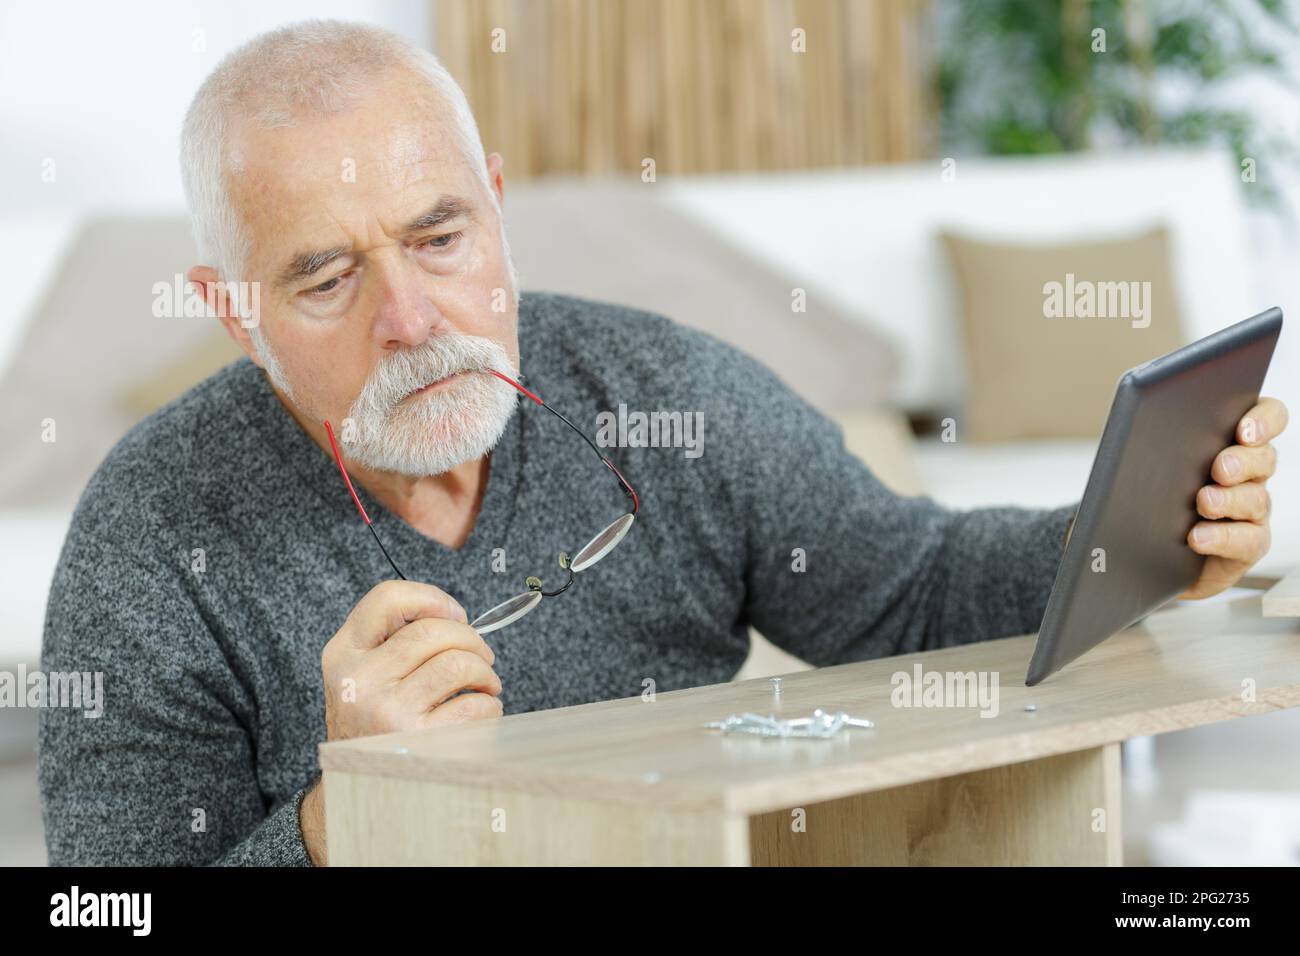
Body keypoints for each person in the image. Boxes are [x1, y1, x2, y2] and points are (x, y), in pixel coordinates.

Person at [38, 20, 1288, 866]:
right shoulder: (152, 536)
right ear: (232, 313)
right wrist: (338, 817)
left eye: (439, 236)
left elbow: (908, 584)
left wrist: (1132, 538)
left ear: (500, 212)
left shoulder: (658, 391)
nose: (411, 320)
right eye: (324, 278)